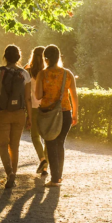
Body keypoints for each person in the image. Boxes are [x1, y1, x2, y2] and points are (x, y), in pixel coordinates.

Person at [0, 45, 33, 189]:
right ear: (19, 58)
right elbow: (28, 99)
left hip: (1, 112)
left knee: (2, 145)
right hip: (19, 113)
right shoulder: (25, 74)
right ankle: (14, 173)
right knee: (14, 146)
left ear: (5, 57)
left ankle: (9, 173)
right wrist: (29, 117)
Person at [35, 45, 78, 188]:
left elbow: (38, 95)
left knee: (50, 143)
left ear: (45, 59)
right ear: (59, 57)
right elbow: (74, 96)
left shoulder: (42, 74)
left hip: (48, 114)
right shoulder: (67, 74)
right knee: (60, 143)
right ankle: (58, 177)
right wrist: (75, 114)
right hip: (65, 112)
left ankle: (55, 178)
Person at [25, 47, 48, 176]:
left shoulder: (27, 71)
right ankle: (45, 167)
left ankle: (42, 159)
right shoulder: (47, 72)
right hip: (46, 107)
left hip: (33, 107)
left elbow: (25, 92)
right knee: (47, 138)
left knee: (35, 136)